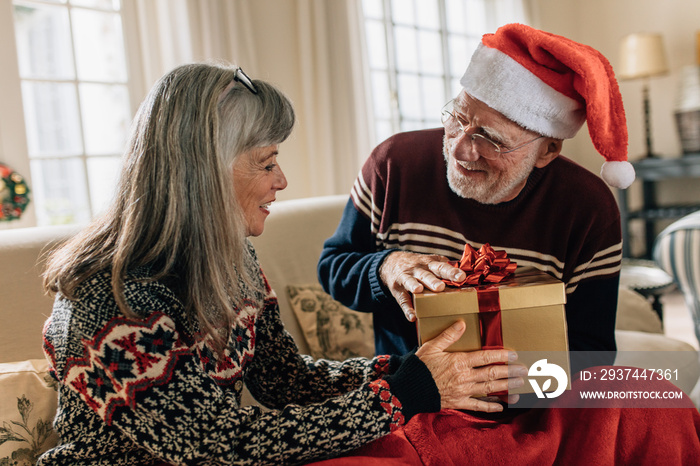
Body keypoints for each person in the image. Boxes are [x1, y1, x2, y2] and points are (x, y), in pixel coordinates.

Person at [38, 62, 527, 465]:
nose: (283, 180)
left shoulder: (233, 258)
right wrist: (405, 393)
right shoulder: (111, 297)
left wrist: (409, 369)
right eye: (266, 162)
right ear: (206, 170)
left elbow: (284, 381)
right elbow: (218, 445)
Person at [318, 23, 636, 365]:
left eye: (491, 139)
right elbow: (333, 267)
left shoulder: (589, 210)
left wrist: (525, 381)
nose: (459, 149)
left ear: (548, 150)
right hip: (409, 394)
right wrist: (386, 267)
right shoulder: (393, 165)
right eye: (457, 117)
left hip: (529, 403)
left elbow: (593, 350)